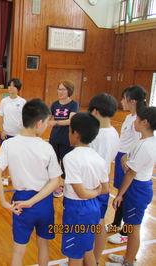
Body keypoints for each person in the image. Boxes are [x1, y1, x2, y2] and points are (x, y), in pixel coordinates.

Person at [0, 98, 62, 266]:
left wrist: (3, 201)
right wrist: (32, 202)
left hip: (19, 202)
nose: (47, 126)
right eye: (47, 122)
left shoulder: (9, 144)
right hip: (44, 201)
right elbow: (56, 181)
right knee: (43, 245)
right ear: (39, 123)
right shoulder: (46, 147)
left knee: (19, 248)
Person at [106, 107, 156, 266]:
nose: (134, 121)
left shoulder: (146, 146)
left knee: (133, 229)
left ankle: (128, 262)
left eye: (137, 119)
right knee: (130, 226)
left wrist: (120, 194)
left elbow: (130, 173)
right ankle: (128, 257)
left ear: (145, 122)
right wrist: (125, 160)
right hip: (138, 187)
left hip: (137, 188)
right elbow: (129, 161)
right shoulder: (145, 141)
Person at [61, 112, 109, 266]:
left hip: (77, 209)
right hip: (94, 207)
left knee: (74, 255)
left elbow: (81, 193)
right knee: (87, 247)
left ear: (76, 133)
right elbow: (106, 188)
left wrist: (93, 192)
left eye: (69, 130)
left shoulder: (70, 158)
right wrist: (95, 192)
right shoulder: (98, 158)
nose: (68, 134)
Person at [107, 86, 147, 245]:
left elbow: (139, 143)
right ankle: (117, 223)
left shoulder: (140, 119)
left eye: (124, 98)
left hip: (128, 161)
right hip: (121, 157)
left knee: (128, 195)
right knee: (120, 194)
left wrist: (128, 162)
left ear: (133, 101)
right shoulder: (129, 117)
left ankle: (125, 232)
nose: (121, 101)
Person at [87, 94, 120, 264]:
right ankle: (95, 259)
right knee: (99, 223)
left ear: (95, 111)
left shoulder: (96, 135)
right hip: (103, 183)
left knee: (88, 226)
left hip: (92, 186)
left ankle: (86, 260)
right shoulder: (114, 132)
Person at [48, 80, 79, 198]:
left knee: (66, 165)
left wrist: (55, 122)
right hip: (54, 138)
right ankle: (55, 186)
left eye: (63, 89)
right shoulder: (54, 104)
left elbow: (71, 120)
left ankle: (67, 188)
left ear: (69, 91)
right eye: (59, 89)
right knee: (53, 164)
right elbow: (49, 118)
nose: (60, 92)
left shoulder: (73, 104)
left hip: (67, 139)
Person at [0, 78, 26, 186]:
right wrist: (2, 131)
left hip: (18, 135)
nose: (10, 88)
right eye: (9, 86)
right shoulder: (4, 101)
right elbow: (0, 117)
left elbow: (25, 118)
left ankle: (16, 177)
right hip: (6, 134)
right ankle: (4, 177)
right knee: (5, 157)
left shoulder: (22, 102)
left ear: (17, 88)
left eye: (12, 86)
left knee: (18, 158)